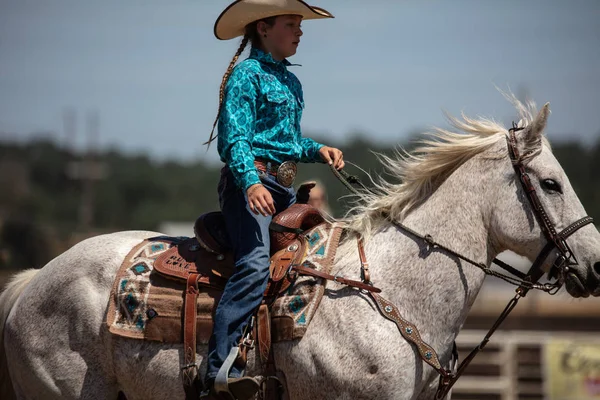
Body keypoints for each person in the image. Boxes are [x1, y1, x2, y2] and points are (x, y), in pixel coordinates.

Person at [202, 1, 344, 399]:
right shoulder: (246, 75)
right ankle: (219, 370)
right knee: (254, 262)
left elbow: (286, 142)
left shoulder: (291, 82)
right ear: (263, 28)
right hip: (251, 184)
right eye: (290, 24)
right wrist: (250, 183)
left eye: (300, 24)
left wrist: (318, 150)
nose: (300, 32)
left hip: (280, 186)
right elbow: (236, 141)